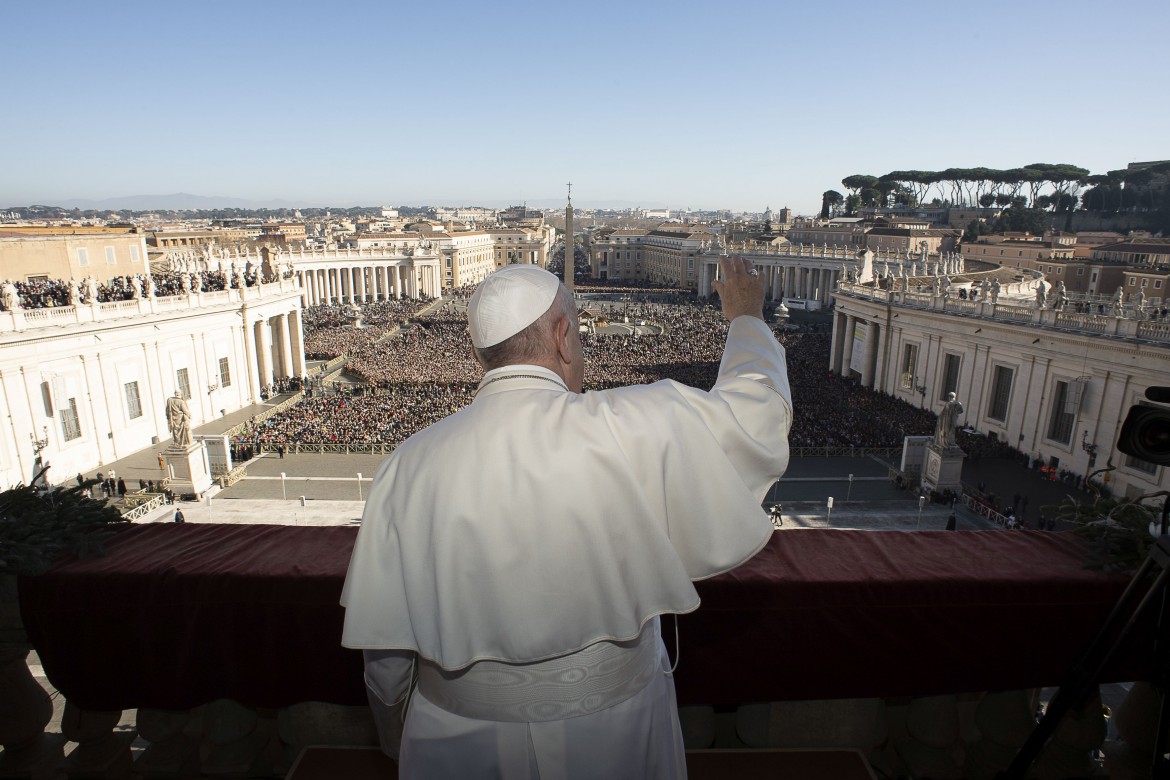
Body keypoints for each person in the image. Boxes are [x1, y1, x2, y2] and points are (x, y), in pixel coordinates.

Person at [341, 257, 792, 778]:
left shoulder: (405, 465)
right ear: (564, 339)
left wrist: (397, 731)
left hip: (454, 738)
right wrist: (745, 318)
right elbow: (758, 414)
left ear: (479, 352)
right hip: (614, 733)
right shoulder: (633, 425)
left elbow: (386, 655)